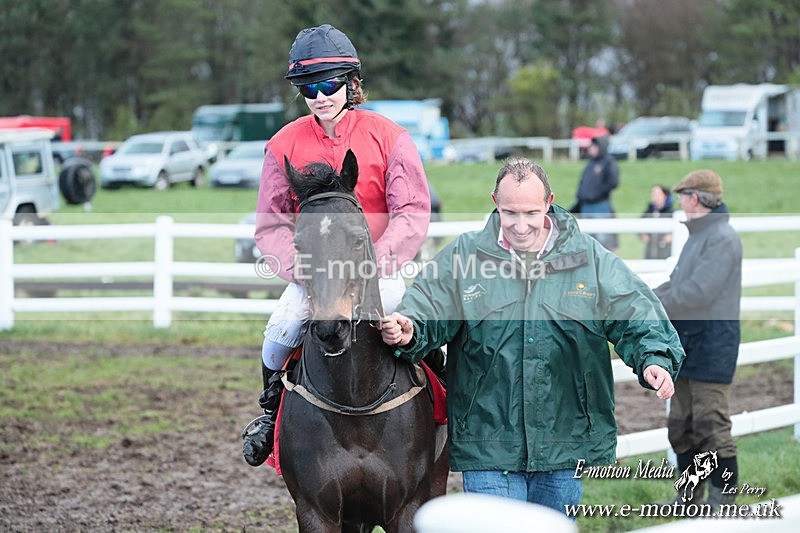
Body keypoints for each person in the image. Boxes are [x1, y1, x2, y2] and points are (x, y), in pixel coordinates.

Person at [379, 157, 685, 517]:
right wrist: (411, 327)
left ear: (549, 202)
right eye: (510, 213)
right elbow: (429, 303)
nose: (520, 226)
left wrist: (654, 358)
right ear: (495, 201)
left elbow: (635, 310)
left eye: (531, 213)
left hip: (565, 438)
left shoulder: (589, 258)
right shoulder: (464, 257)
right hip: (489, 439)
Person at [241, 23, 432, 467]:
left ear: (351, 82)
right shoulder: (282, 144)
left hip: (381, 270)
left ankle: (448, 415)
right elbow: (271, 225)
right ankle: (270, 415)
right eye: (310, 89)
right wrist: (301, 267)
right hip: (316, 274)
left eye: (330, 84)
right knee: (280, 331)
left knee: (427, 330)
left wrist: (376, 262)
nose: (321, 96)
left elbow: (412, 212)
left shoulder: (390, 136)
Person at [653, 170, 742, 510]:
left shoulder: (721, 238)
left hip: (712, 344)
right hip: (689, 343)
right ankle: (689, 497)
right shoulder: (701, 237)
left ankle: (723, 501)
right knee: (681, 425)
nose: (680, 202)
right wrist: (645, 298)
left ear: (697, 198)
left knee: (710, 425)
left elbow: (697, 293)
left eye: (683, 196)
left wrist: (655, 304)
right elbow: (677, 285)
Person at [573, 135, 619, 252]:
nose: (590, 149)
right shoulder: (590, 164)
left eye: (593, 146)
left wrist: (596, 194)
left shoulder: (608, 162)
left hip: (600, 206)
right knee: (586, 240)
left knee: (602, 240)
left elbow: (613, 182)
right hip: (586, 207)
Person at [640, 185, 674, 259]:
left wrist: (672, 236)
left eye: (657, 193)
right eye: (653, 193)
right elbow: (638, 226)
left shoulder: (672, 214)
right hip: (650, 253)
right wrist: (642, 234)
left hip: (666, 254)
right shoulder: (648, 213)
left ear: (664, 196)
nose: (653, 195)